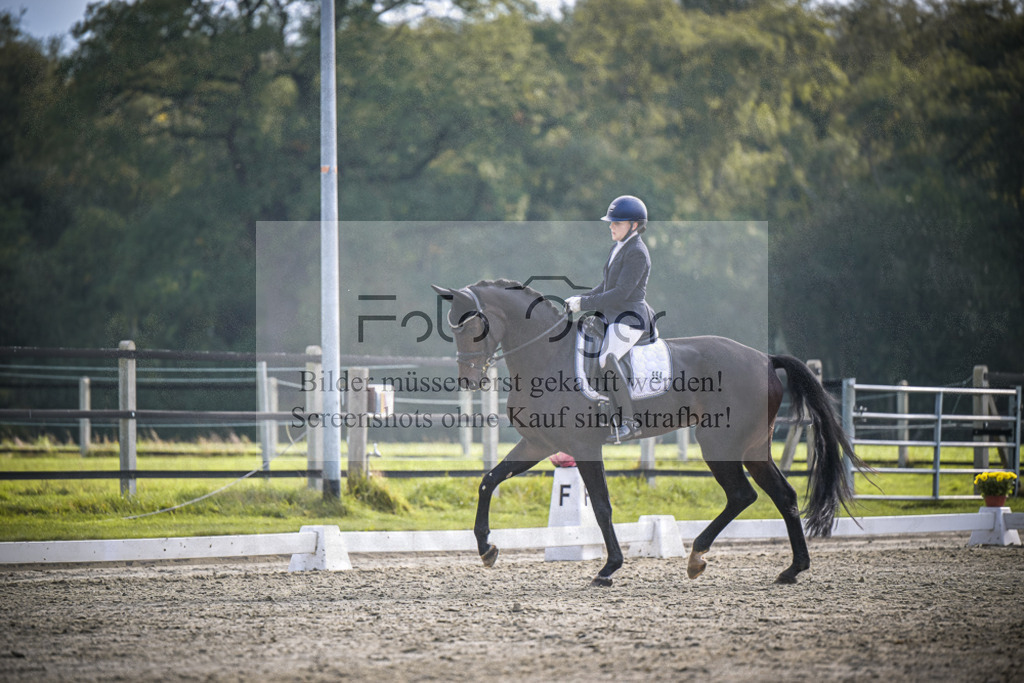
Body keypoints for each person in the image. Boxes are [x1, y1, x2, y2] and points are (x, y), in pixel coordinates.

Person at [565, 195, 656, 443]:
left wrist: (584, 304)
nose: (611, 226)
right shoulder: (619, 247)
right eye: (611, 222)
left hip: (630, 318)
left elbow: (620, 294)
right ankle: (604, 408)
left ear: (634, 225)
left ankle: (629, 422)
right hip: (613, 315)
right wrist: (579, 299)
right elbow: (605, 286)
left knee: (607, 358)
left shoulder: (637, 252)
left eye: (617, 222)